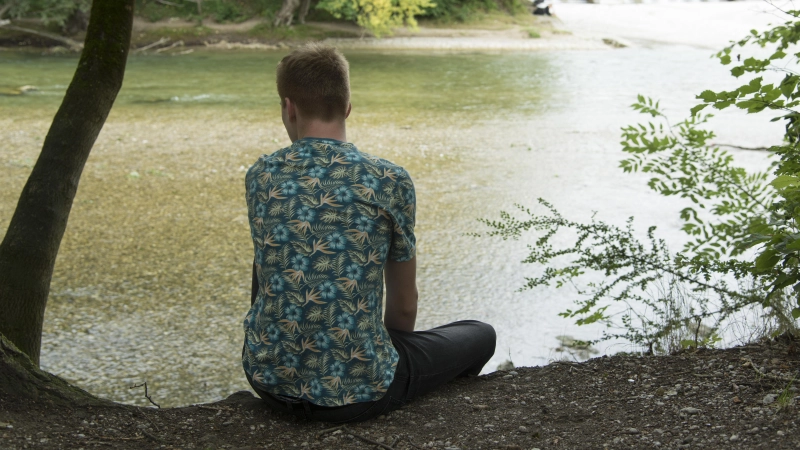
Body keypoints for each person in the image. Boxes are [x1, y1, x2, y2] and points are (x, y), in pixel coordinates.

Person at [242, 44, 496, 423]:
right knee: (480, 334)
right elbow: (405, 304)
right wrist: (377, 354)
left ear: (289, 107)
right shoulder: (388, 180)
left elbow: (266, 268)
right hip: (360, 394)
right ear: (347, 107)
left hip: (267, 380)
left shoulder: (261, 175)